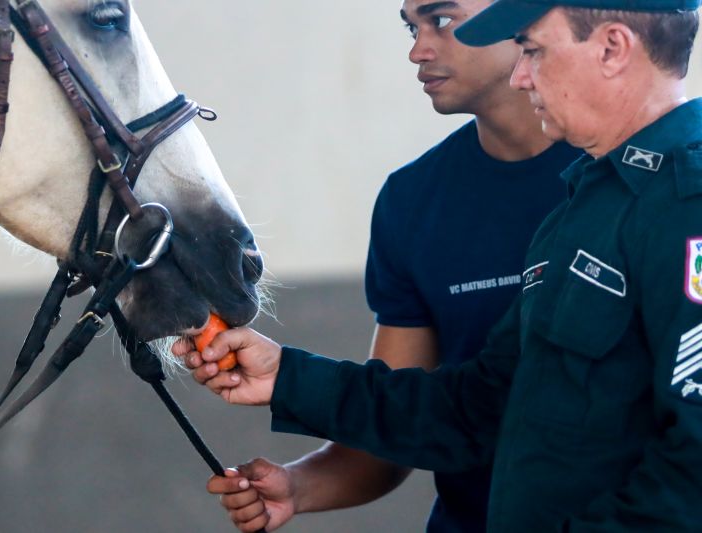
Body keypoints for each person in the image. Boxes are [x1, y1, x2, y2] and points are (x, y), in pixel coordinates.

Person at [176, 0, 702, 531]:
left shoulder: (688, 202)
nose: (521, 76)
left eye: (534, 50)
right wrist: (288, 375)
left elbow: (691, 476)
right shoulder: (584, 205)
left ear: (612, 48)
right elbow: (476, 409)